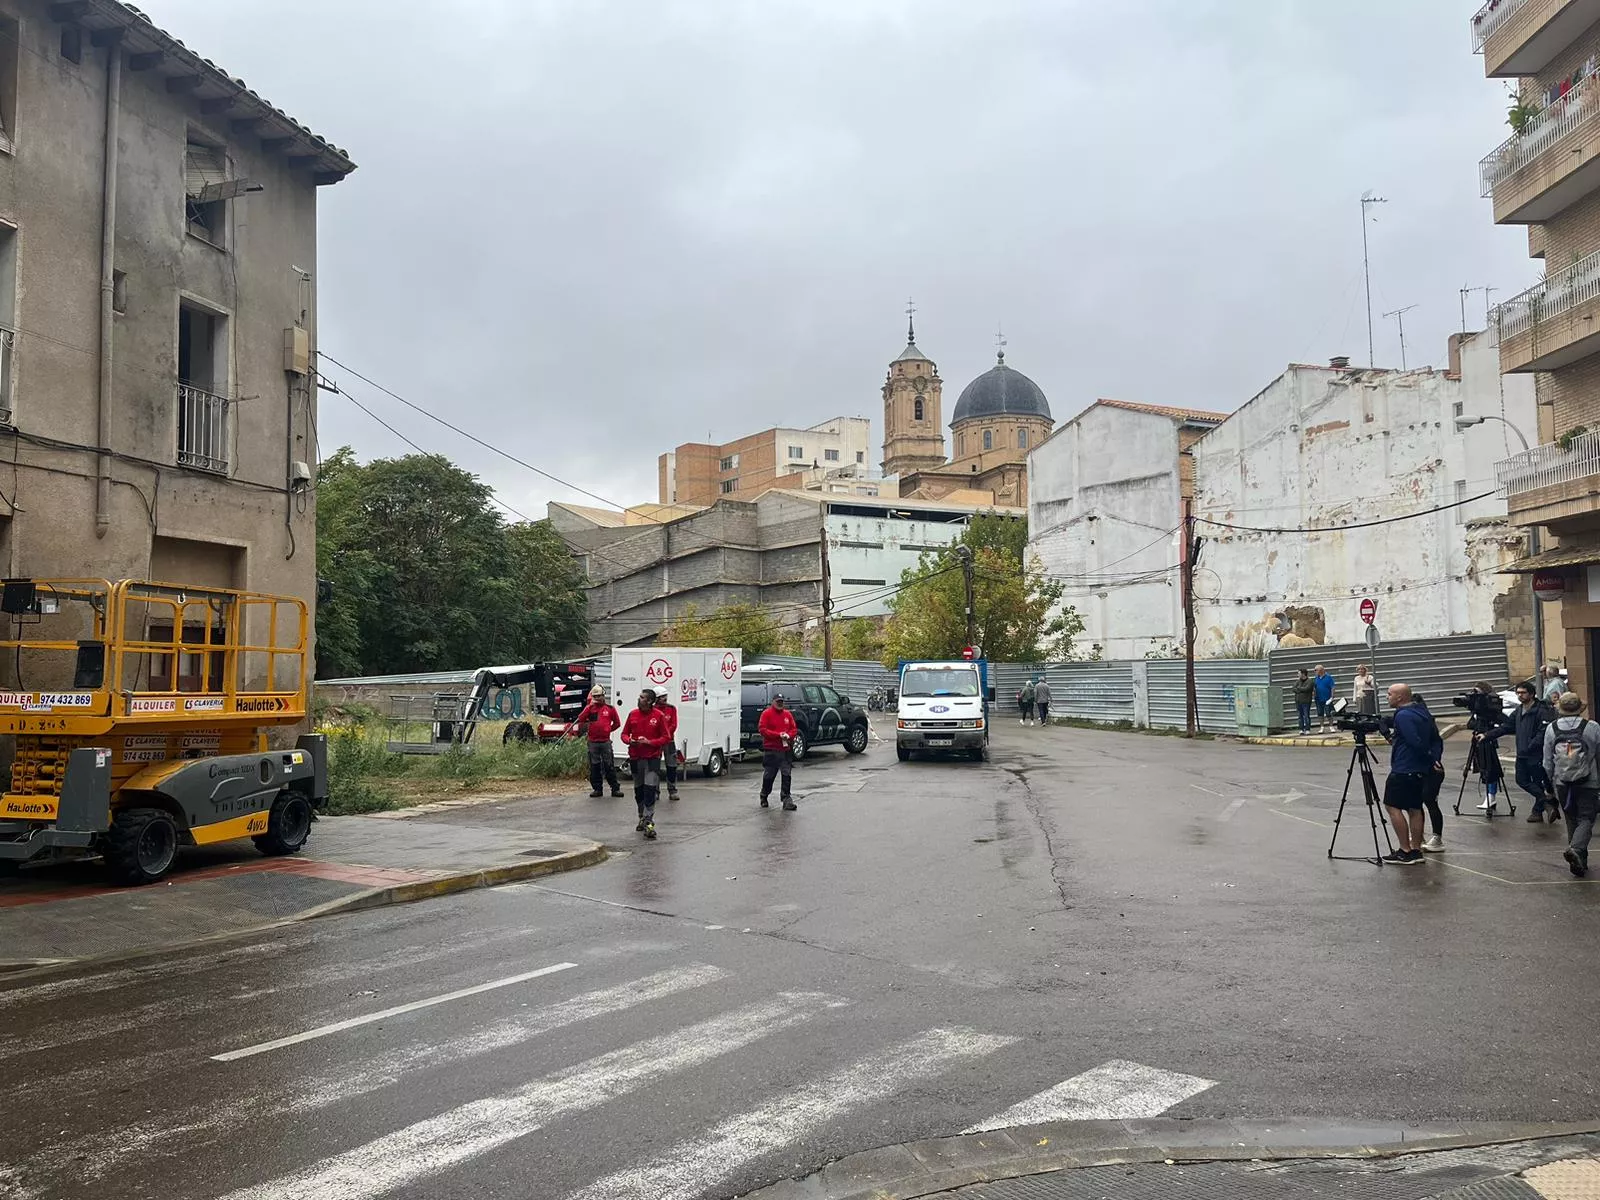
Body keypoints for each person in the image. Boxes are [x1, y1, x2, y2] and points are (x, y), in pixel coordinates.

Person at [1381, 683, 1439, 864]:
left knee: (1392, 806)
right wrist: (1434, 759)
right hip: (1420, 770)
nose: (1387, 697)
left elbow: (1414, 741)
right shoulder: (1423, 713)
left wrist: (1428, 758)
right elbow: (1436, 739)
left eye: (1389, 694)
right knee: (1415, 808)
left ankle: (1404, 850)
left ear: (1400, 697)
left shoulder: (1403, 715)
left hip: (1404, 768)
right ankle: (1416, 850)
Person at [1545, 692, 1600, 877]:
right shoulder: (1592, 727)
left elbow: (1547, 761)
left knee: (1571, 818)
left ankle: (1578, 860)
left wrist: (1550, 784)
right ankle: (1576, 850)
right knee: (1586, 818)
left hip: (1562, 782)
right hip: (1588, 780)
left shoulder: (1551, 728)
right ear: (1579, 708)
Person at [1488, 681, 1558, 823]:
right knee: (1521, 780)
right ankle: (1547, 802)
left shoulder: (1541, 710)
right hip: (1522, 753)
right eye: (1518, 693)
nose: (1520, 695)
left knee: (1537, 782)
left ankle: (1537, 812)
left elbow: (1543, 732)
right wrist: (1487, 735)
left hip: (1536, 754)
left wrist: (1532, 746)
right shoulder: (1519, 710)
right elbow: (1506, 727)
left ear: (1531, 694)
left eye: (1523, 693)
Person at [620, 687, 672, 840]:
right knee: (639, 790)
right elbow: (624, 734)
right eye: (640, 696)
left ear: (649, 701)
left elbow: (666, 737)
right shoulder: (633, 714)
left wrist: (650, 742)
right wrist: (629, 741)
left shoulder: (659, 716)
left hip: (652, 758)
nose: (639, 699)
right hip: (636, 757)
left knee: (650, 789)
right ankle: (641, 816)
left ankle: (649, 821)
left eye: (642, 697)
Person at [570, 685, 624, 799]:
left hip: (605, 742)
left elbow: (617, 723)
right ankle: (597, 789)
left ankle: (615, 788)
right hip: (593, 742)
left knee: (609, 765)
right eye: (595, 696)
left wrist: (608, 730)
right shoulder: (590, 708)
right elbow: (581, 719)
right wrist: (589, 707)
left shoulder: (610, 709)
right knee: (595, 766)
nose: (597, 698)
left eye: (599, 696)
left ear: (603, 696)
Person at [1464, 681, 1506, 814]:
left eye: (1477, 692)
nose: (1474, 694)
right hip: (1478, 738)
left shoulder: (1490, 706)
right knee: (1483, 768)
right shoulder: (1478, 708)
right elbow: (1471, 724)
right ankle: (1489, 797)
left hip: (1488, 740)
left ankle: (1491, 797)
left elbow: (1503, 720)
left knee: (1490, 769)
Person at [757, 691, 799, 811]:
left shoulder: (787, 714)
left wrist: (788, 735)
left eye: (782, 702)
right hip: (771, 750)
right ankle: (764, 795)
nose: (780, 704)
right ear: (773, 702)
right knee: (769, 776)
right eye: (778, 702)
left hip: (785, 750)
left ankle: (786, 799)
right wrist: (778, 735)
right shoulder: (766, 714)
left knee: (786, 774)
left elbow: (794, 729)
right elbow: (762, 729)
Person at [657, 692, 681, 801]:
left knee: (671, 766)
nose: (665, 698)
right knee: (654, 767)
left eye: (665, 696)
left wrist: (665, 734)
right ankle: (655, 791)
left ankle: (672, 790)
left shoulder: (671, 709)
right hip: (657, 742)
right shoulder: (653, 710)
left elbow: (674, 725)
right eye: (662, 697)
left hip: (669, 741)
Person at [1314, 665, 1336, 732]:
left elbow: (1332, 687)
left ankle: (1331, 726)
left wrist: (1332, 696)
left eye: (1316, 670)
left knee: (1328, 713)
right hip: (1318, 699)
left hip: (1327, 699)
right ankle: (1322, 727)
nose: (1315, 671)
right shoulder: (1316, 678)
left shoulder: (1328, 677)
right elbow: (1315, 688)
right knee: (1320, 713)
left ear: (1321, 670)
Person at [1292, 668, 1315, 734]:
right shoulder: (1298, 681)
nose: (1298, 675)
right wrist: (1300, 690)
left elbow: (1307, 689)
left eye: (1299, 673)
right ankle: (1301, 729)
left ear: (1303, 674)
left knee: (1306, 715)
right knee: (1300, 716)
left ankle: (1307, 729)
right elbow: (1293, 689)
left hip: (1306, 701)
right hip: (1298, 701)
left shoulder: (1310, 681)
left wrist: (1299, 688)